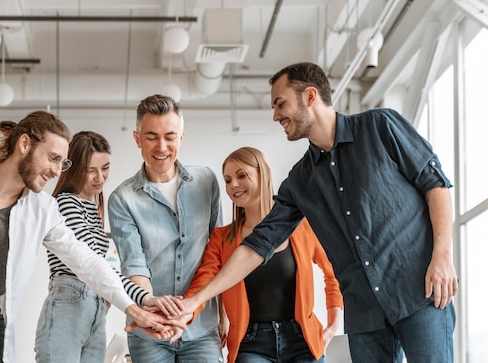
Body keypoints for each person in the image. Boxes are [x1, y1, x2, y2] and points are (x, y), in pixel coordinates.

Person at [176, 62, 458, 363]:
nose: (275, 116)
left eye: (280, 103)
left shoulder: (380, 126)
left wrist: (442, 256)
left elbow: (435, 184)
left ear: (310, 96)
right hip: (366, 316)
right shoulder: (301, 180)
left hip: (419, 291)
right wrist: (196, 300)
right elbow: (257, 246)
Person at [0, 111, 184, 363]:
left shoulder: (43, 209)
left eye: (61, 163)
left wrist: (136, 305)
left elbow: (88, 263)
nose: (56, 171)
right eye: (52, 158)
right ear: (24, 144)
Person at [183, 147, 343, 363]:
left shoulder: (301, 226)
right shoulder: (222, 238)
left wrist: (334, 325)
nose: (233, 186)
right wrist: (185, 311)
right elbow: (204, 281)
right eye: (228, 180)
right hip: (251, 343)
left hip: (302, 340)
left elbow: (335, 272)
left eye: (241, 175)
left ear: (263, 173)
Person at [35, 131, 183, 363]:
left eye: (105, 167)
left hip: (94, 303)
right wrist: (143, 300)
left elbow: (102, 270)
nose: (100, 177)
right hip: (71, 301)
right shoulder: (66, 202)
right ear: (73, 169)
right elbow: (94, 265)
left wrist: (145, 300)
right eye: (90, 170)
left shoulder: (92, 209)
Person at [108, 94, 224, 362]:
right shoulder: (123, 198)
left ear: (181, 136)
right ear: (137, 139)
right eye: (151, 137)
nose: (161, 146)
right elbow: (134, 264)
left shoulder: (206, 182)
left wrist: (224, 316)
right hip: (150, 332)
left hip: (202, 329)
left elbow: (217, 253)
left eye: (170, 136)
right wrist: (154, 310)